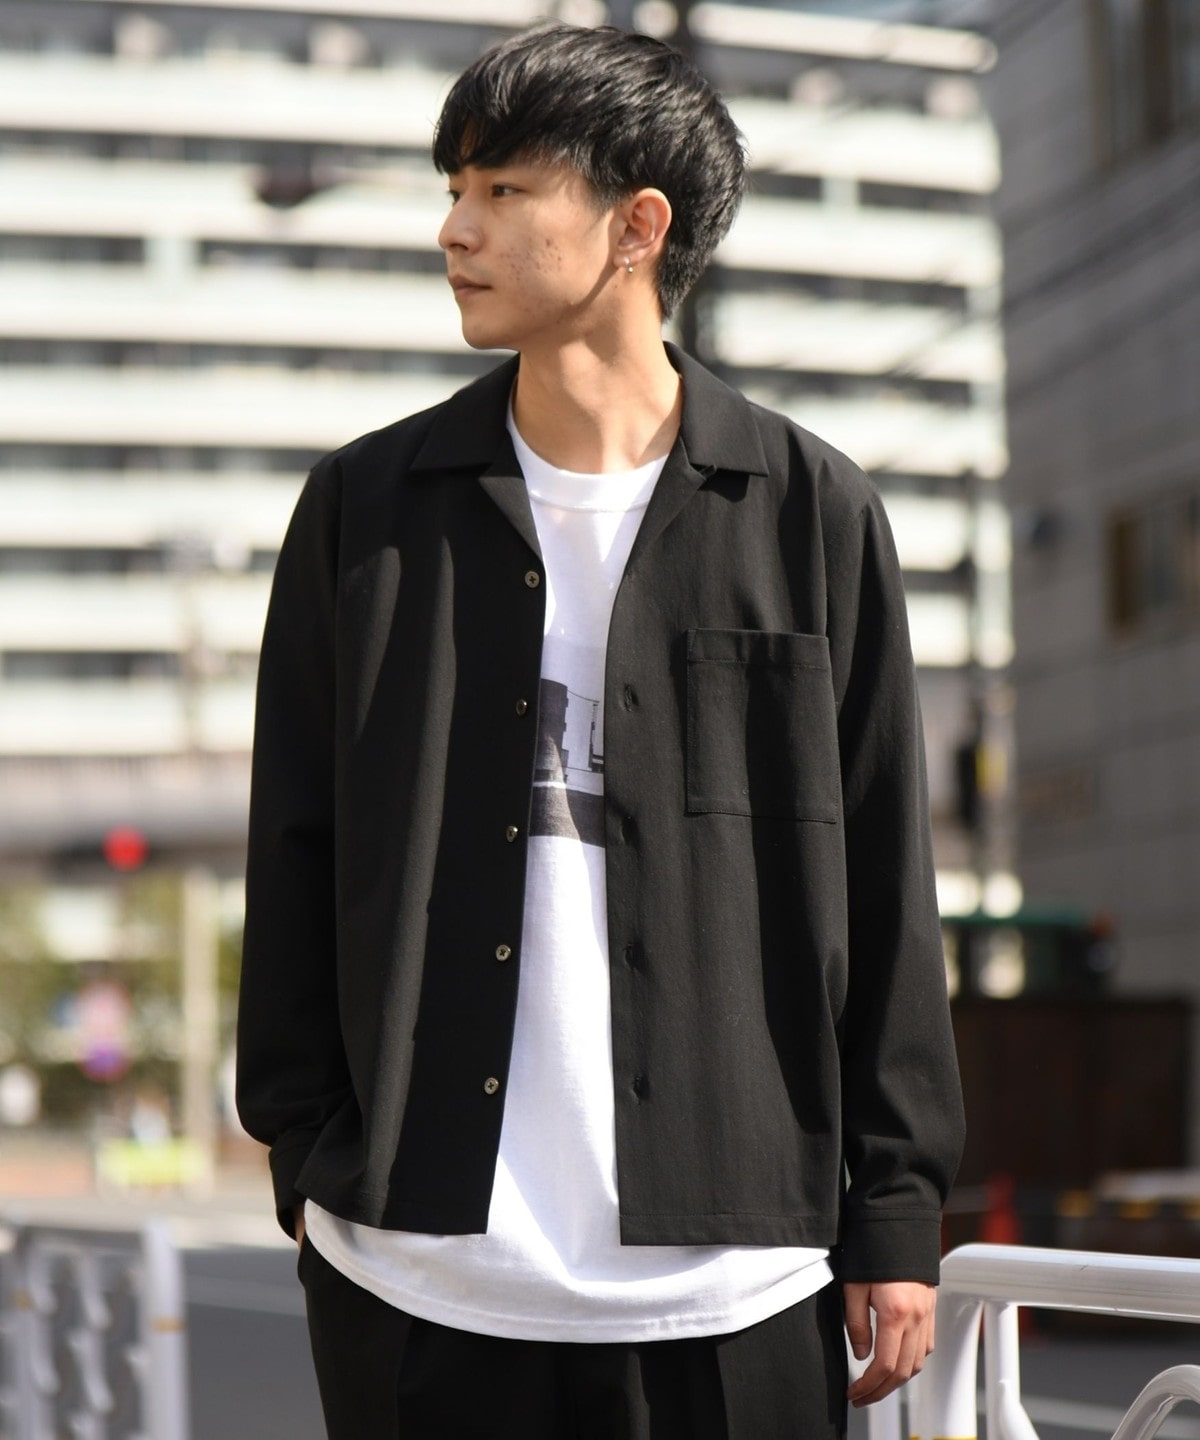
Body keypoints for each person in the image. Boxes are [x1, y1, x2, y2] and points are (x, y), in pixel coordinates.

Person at [236, 22, 964, 1439]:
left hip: (736, 1284)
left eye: (505, 189)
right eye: (456, 188)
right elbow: (296, 845)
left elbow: (884, 878)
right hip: (416, 1274)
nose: (456, 228)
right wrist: (308, 1154)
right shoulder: (364, 513)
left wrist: (896, 1208)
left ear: (638, 226)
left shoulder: (811, 513)